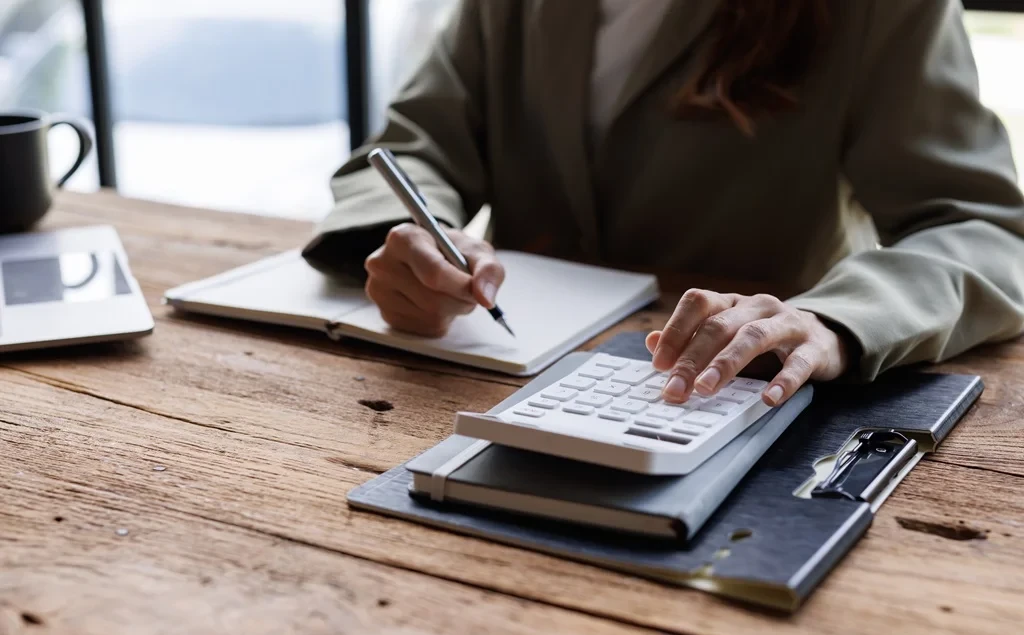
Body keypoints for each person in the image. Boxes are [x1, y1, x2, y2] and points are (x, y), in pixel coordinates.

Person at [302, 0, 1024, 408]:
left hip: (728, 398)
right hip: (493, 384)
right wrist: (412, 240)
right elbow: (413, 145)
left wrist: (835, 319)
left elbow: (983, 228)